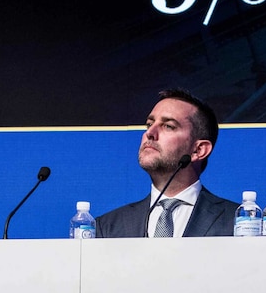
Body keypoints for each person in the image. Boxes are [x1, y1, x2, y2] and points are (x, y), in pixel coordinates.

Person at [96, 88, 236, 237]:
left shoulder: (237, 222)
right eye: (149, 124)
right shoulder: (108, 227)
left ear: (198, 150)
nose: (150, 133)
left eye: (168, 126)